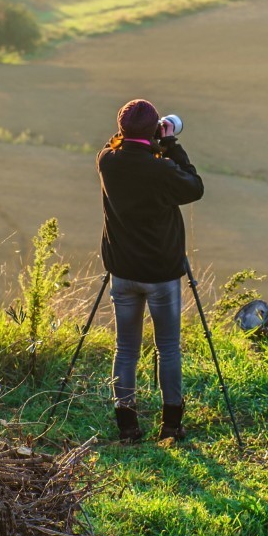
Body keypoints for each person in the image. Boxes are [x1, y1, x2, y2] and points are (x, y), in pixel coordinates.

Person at [97, 99, 204, 443]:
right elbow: (194, 186)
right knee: (168, 348)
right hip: (161, 274)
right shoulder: (161, 170)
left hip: (123, 272)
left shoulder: (107, 162)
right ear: (154, 130)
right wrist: (170, 143)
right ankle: (171, 425)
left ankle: (127, 426)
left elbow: (120, 145)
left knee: (125, 349)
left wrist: (141, 136)